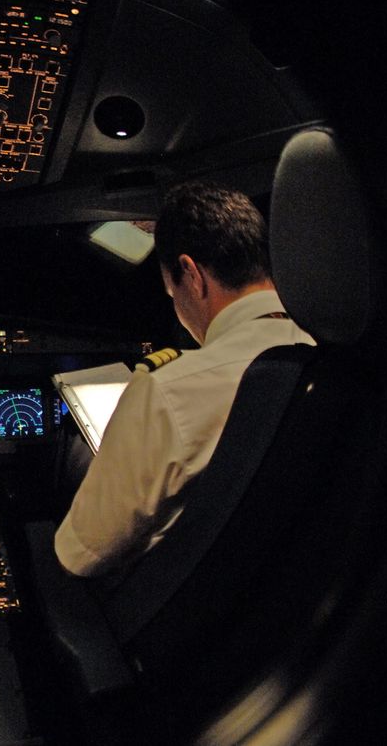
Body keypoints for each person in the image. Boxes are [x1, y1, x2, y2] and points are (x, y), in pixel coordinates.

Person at [54, 183, 314, 578]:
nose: (175, 304)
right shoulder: (321, 352)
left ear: (191, 275)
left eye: (171, 289)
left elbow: (82, 554)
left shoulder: (169, 389)